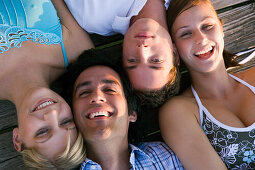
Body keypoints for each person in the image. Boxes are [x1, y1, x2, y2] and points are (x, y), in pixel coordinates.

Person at [159, 0, 255, 169]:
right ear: (174, 50)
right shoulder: (180, 112)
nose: (201, 39)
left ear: (221, 28)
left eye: (207, 26)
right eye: (186, 34)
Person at [0, 0, 93, 169]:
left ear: (17, 139)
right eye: (65, 121)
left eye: (42, 132)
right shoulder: (76, 51)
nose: (51, 114)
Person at [62, 49, 184, 170]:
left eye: (110, 90)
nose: (97, 97)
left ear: (131, 112)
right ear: (71, 115)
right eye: (84, 92)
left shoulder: (166, 157)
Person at [63, 0, 181, 108]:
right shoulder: (187, 7)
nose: (142, 49)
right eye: (156, 61)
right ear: (175, 53)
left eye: (132, 60)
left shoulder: (94, 15)